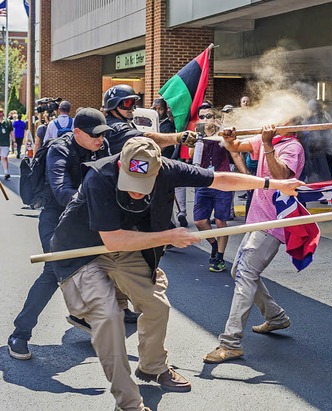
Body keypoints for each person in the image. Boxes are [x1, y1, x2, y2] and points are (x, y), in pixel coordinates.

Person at [49, 136, 302, 410]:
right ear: (121, 167)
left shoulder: (169, 169)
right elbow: (113, 240)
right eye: (132, 183)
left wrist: (274, 184)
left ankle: (152, 367)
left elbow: (220, 180)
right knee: (109, 318)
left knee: (157, 305)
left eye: (143, 185)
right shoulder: (100, 177)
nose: (136, 192)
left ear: (158, 170)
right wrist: (169, 235)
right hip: (81, 251)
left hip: (125, 246)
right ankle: (129, 404)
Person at [7, 108, 113, 360]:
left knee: (104, 266)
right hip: (56, 217)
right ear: (76, 132)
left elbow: (112, 178)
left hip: (88, 216)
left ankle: (84, 317)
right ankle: (20, 334)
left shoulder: (103, 145)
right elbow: (61, 190)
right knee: (53, 271)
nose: (100, 139)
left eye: (102, 134)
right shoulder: (59, 149)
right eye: (94, 134)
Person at [203, 121, 305, 364]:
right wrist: (229, 140)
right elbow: (236, 146)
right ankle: (276, 317)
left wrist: (268, 143)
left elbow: (282, 177)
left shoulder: (292, 147)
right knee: (241, 271)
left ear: (295, 125)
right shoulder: (266, 140)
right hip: (257, 217)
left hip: (273, 222)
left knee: (245, 273)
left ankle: (231, 342)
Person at [192, 105, 236, 272]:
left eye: (209, 116)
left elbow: (233, 148)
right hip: (203, 181)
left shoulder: (222, 134)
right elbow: (190, 156)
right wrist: (196, 141)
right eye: (202, 117)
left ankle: (219, 256)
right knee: (199, 221)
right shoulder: (197, 136)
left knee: (220, 221)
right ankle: (215, 245)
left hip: (222, 181)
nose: (205, 120)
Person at [151, 97, 188, 227]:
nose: (157, 111)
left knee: (171, 191)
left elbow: (163, 145)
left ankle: (178, 215)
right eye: (154, 109)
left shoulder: (167, 125)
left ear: (165, 110)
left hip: (167, 159)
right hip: (154, 161)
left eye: (160, 109)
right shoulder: (151, 124)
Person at [0, 108, 13, 179]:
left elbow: (11, 131)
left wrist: (14, 141)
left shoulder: (7, 122)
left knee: (4, 157)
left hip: (5, 143)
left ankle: (6, 172)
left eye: (1, 112)